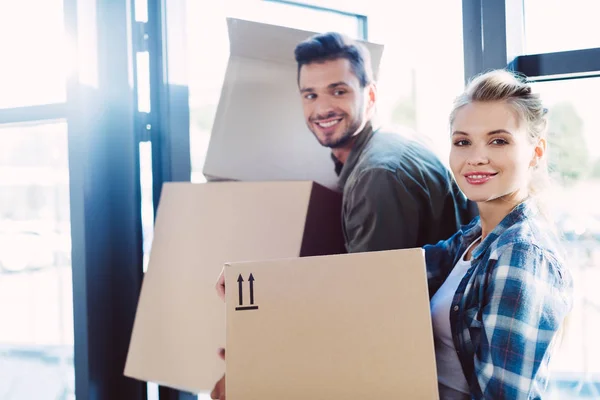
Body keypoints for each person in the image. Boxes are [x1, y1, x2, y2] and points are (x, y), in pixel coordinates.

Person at [209, 32, 476, 399]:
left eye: (338, 91)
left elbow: (367, 312)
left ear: (370, 94)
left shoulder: (376, 176)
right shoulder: (389, 145)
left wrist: (257, 364)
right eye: (310, 94)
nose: (321, 108)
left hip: (421, 376)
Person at [426, 69, 573, 399]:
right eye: (463, 142)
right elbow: (396, 273)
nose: (476, 158)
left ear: (536, 152)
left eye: (499, 140)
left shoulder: (520, 253)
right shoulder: (473, 240)